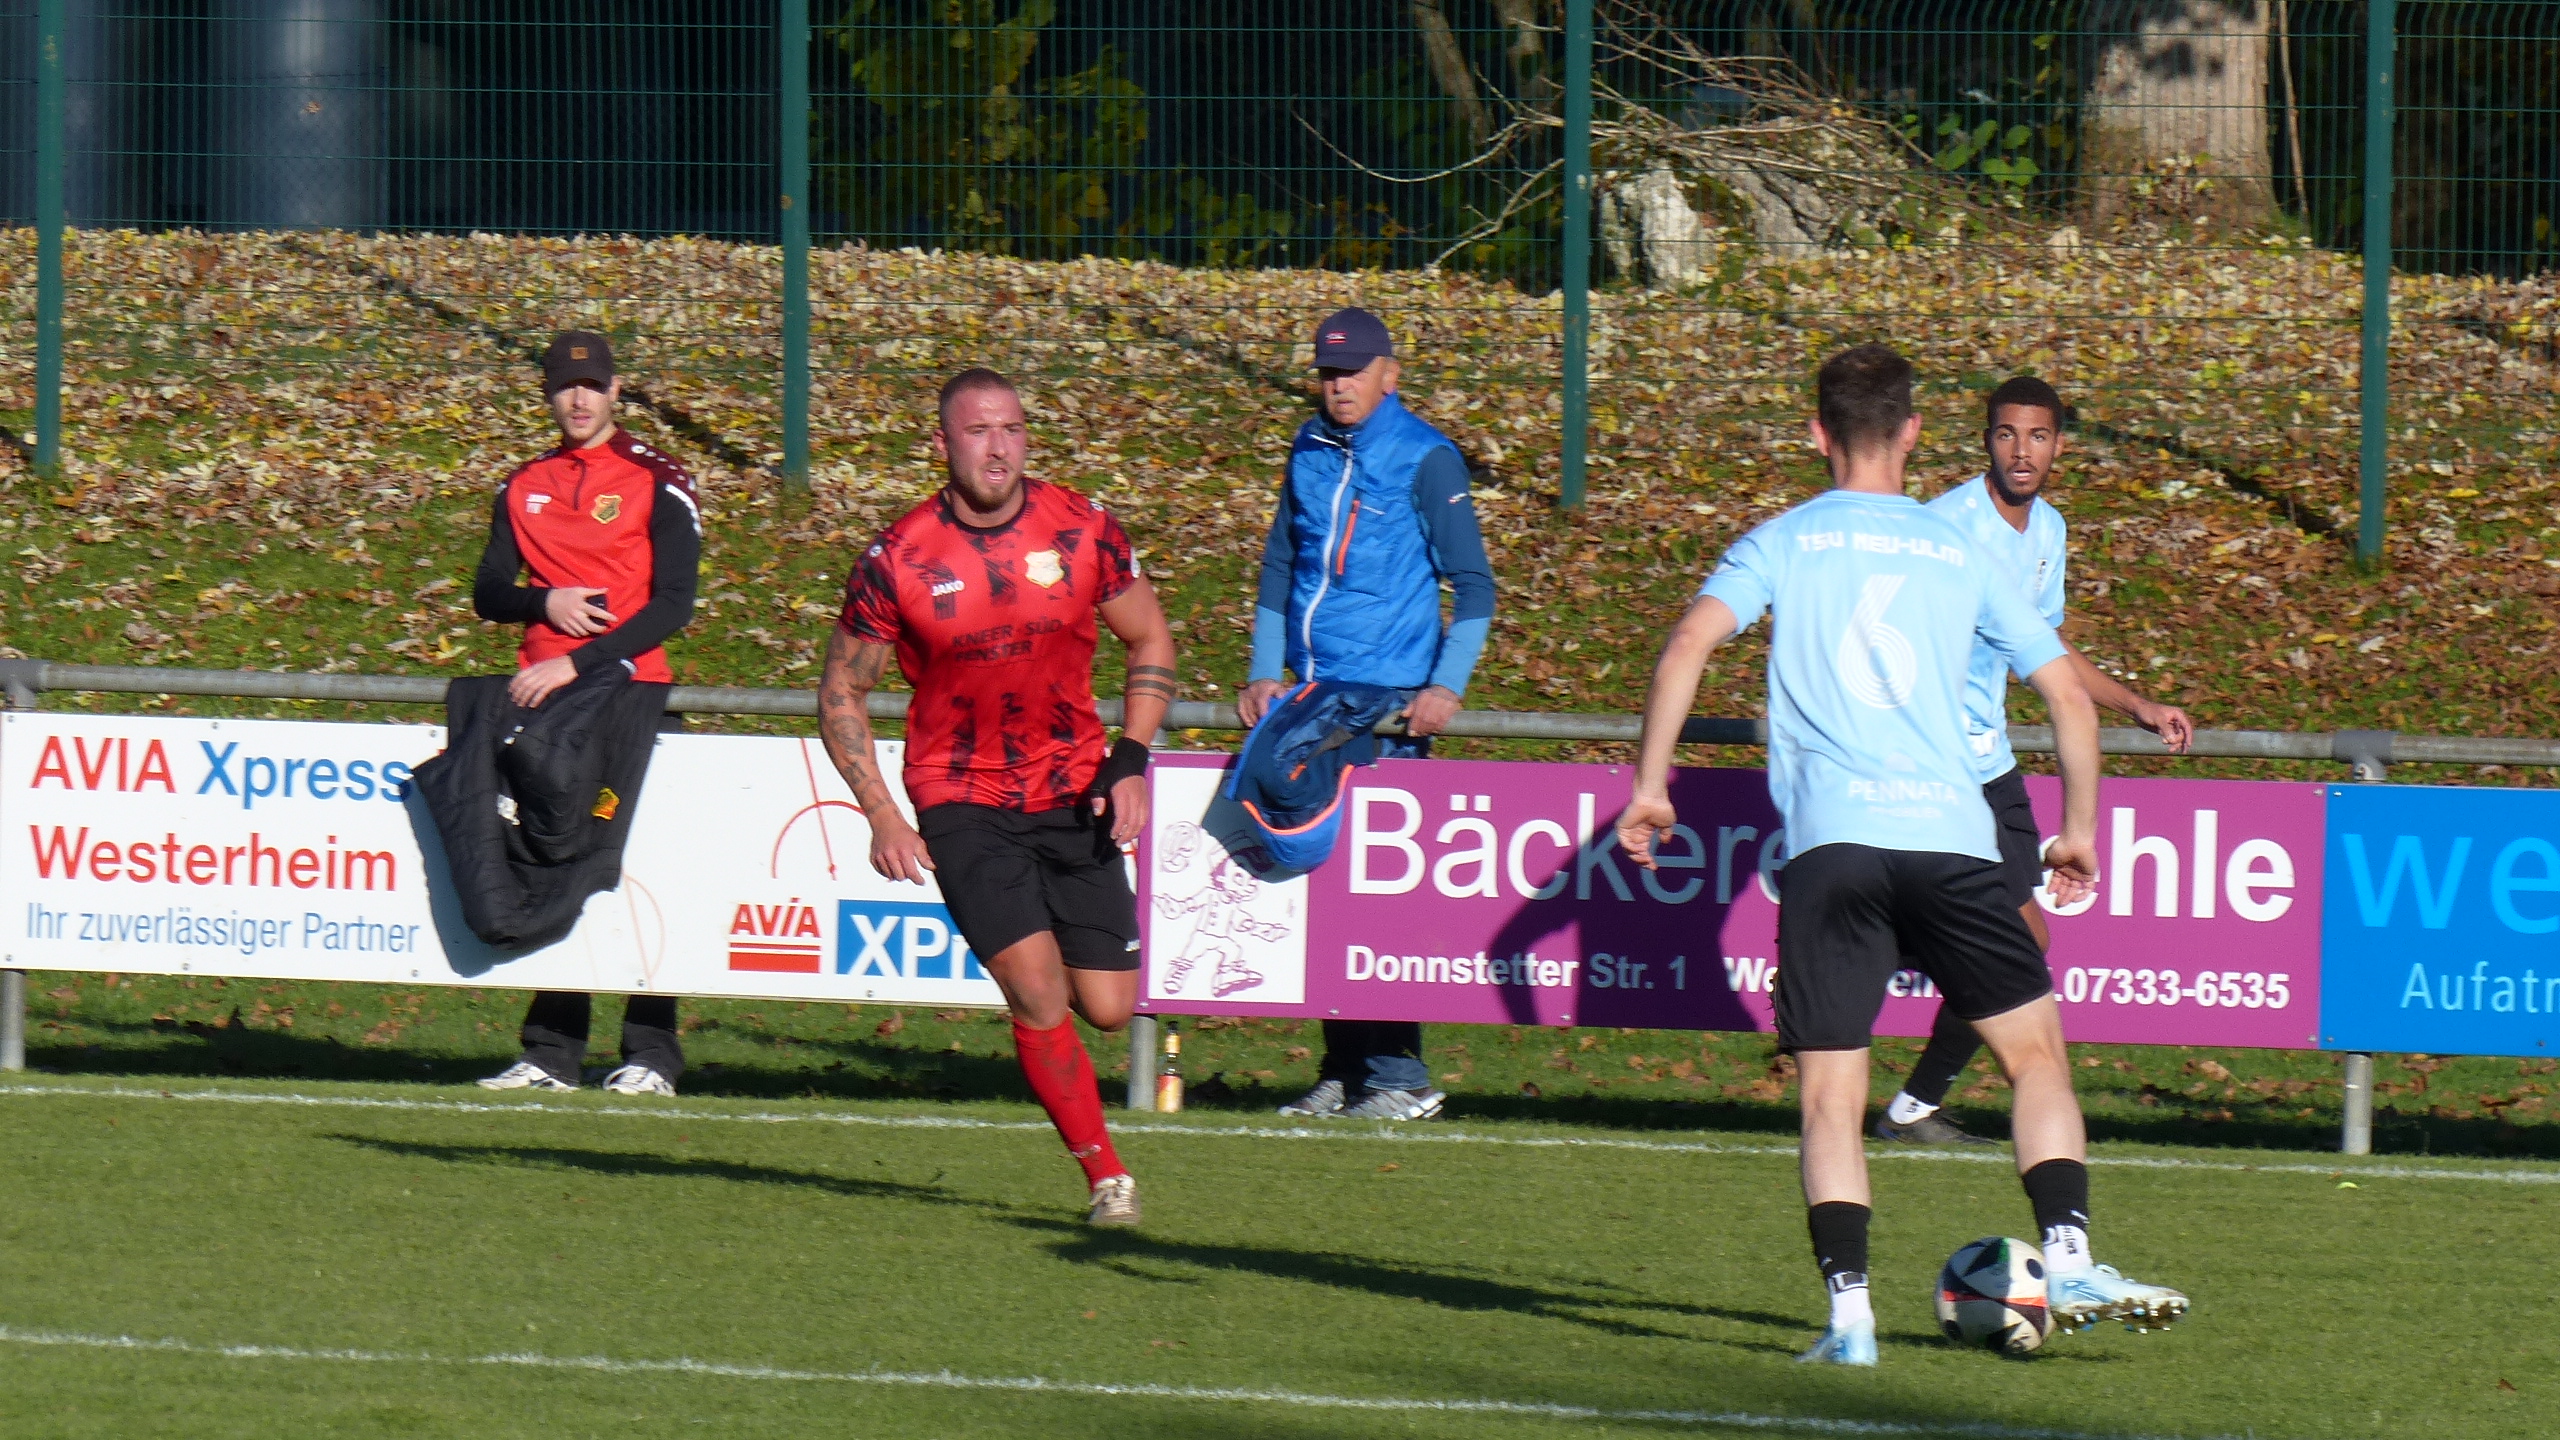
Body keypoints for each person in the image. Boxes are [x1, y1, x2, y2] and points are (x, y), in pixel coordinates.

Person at [1617, 344, 2189, 1366]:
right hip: (1951, 840)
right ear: (1916, 433)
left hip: (1832, 848)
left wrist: (1653, 788)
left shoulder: (1781, 540)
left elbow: (1686, 645)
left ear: (1817, 434)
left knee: (1831, 1096)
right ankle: (2066, 1254)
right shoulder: (1958, 548)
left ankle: (1850, 1322)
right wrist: (2079, 830)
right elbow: (2066, 694)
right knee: (2035, 1057)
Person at [820, 367, 1175, 1228]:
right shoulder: (898, 558)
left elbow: (1150, 637)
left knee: (1108, 1007)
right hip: (961, 796)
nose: (997, 447)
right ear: (943, 443)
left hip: (1073, 786)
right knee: (1035, 990)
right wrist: (882, 813)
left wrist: (1130, 757)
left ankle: (1092, 1126)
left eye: (1011, 429)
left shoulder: (1083, 529)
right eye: (978, 431)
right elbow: (841, 692)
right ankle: (1107, 1177)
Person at [1876, 376, 2195, 1145]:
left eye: (2039, 436)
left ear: (2059, 445)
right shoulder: (1941, 528)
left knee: (2023, 945)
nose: (2022, 451)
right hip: (1929, 768)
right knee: (1991, 943)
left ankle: (1911, 1107)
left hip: (1989, 765)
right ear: (1986, 440)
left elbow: (2044, 648)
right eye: (2006, 434)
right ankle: (1882, 1078)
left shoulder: (2048, 531)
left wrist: (2136, 705)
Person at [1242, 306, 1496, 1124]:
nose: (1338, 384)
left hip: (1386, 709)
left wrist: (1445, 686)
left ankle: (1399, 1077)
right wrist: (1264, 668)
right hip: (1313, 698)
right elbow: (1281, 563)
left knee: (1373, 899)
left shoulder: (1426, 457)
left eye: (1352, 370)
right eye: (1327, 371)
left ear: (1390, 374)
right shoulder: (1308, 447)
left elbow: (1475, 587)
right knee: (1322, 886)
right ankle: (1346, 1070)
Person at [473, 331, 703, 1098]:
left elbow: (675, 603)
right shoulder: (523, 484)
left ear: (615, 391)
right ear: (547, 393)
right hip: (544, 705)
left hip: (632, 695)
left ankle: (652, 1054)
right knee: (552, 863)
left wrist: (582, 661)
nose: (579, 399)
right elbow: (488, 592)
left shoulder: (658, 480)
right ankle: (552, 1053)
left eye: (593, 385)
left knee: (640, 873)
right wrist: (545, 604)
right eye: (565, 386)